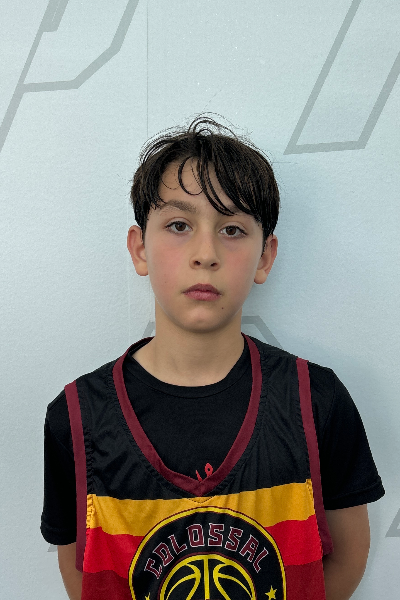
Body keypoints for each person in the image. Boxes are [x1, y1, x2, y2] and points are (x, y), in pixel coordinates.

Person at [41, 115, 385, 600]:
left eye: (232, 229)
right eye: (179, 225)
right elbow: (81, 570)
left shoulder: (317, 401)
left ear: (265, 257)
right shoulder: (76, 418)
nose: (205, 253)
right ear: (140, 249)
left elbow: (348, 558)